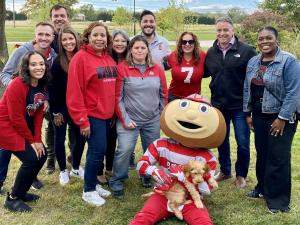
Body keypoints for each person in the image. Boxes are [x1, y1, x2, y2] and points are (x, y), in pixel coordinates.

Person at [243, 26, 300, 213]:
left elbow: (294, 92)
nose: (264, 42)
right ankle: (262, 189)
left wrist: (282, 117)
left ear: (276, 40)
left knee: (278, 157)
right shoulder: (253, 61)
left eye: (268, 38)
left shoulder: (288, 61)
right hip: (259, 115)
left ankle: (278, 202)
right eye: (261, 39)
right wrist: (248, 112)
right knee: (263, 154)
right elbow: (247, 88)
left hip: (281, 116)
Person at [109, 35, 168, 199]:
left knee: (151, 151)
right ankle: (117, 179)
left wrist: (162, 114)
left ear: (147, 50)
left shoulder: (157, 69)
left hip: (152, 119)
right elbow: (117, 97)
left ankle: (146, 175)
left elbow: (164, 94)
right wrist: (125, 119)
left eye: (143, 48)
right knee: (125, 149)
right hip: (130, 119)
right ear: (131, 50)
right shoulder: (123, 68)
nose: (139, 50)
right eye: (136, 48)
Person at [0, 22, 56, 191]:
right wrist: (19, 92)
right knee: (8, 147)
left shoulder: (52, 55)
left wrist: (41, 98)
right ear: (35, 35)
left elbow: (42, 83)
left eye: (48, 35)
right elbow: (6, 73)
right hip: (12, 113)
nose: (44, 38)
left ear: (53, 37)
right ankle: (2, 182)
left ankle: (28, 180)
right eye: (41, 34)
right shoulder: (22, 52)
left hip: (31, 109)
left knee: (37, 154)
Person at [204, 16, 256, 188]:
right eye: (219, 30)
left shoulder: (247, 50)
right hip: (219, 105)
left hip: (240, 106)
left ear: (233, 30)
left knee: (242, 142)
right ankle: (225, 171)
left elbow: (255, 77)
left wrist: (252, 105)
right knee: (221, 140)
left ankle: (241, 175)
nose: (222, 33)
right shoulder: (211, 52)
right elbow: (202, 72)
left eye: (226, 29)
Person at [66, 22, 115, 206]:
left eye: (103, 35)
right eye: (95, 35)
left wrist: (113, 113)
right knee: (96, 151)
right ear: (88, 36)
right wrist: (82, 120)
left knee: (99, 151)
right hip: (91, 115)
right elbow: (74, 92)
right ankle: (88, 190)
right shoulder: (80, 58)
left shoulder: (108, 59)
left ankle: (93, 183)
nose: (99, 38)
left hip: (106, 116)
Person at [0, 51, 48, 212]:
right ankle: (12, 199)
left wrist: (37, 138)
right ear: (26, 67)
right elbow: (15, 118)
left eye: (41, 64)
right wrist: (31, 140)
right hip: (6, 126)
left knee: (42, 154)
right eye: (33, 64)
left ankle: (21, 193)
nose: (38, 67)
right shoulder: (17, 84)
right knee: (31, 158)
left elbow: (39, 113)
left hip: (21, 125)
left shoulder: (42, 82)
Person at [49, 25, 86, 186]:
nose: (68, 42)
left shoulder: (83, 58)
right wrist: (56, 112)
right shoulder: (58, 63)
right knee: (60, 138)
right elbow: (53, 89)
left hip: (78, 106)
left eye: (71, 38)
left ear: (76, 39)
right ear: (60, 42)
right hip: (61, 107)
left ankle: (76, 167)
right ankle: (63, 170)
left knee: (81, 137)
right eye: (64, 39)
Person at [97, 29, 130, 185]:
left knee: (113, 139)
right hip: (106, 105)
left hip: (122, 105)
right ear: (111, 42)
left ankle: (109, 167)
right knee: (102, 141)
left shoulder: (129, 60)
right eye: (117, 40)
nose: (120, 43)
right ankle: (98, 170)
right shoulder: (105, 58)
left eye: (123, 41)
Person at [46, 4, 72, 174]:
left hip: (70, 91)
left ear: (67, 17)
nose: (59, 18)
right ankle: (51, 157)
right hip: (51, 91)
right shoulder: (48, 37)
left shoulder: (72, 36)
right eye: (56, 16)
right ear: (51, 18)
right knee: (52, 125)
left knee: (73, 126)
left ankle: (71, 154)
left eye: (62, 15)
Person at [167, 31, 206, 102]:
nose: (187, 44)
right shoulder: (173, 55)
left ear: (195, 43)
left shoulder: (202, 56)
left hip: (194, 98)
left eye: (190, 42)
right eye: (184, 42)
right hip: (174, 97)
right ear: (180, 44)